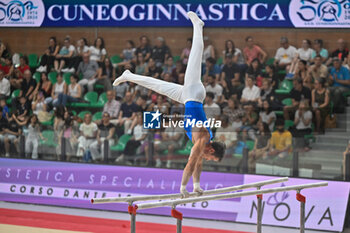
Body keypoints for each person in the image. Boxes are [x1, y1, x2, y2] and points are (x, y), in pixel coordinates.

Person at [113, 12, 225, 197]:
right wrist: (183, 188)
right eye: (210, 156)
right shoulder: (203, 139)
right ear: (211, 149)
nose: (206, 158)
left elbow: (197, 163)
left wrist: (196, 186)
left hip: (188, 97)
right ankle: (198, 25)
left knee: (157, 86)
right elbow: (190, 164)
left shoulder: (203, 143)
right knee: (195, 56)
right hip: (194, 93)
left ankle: (129, 76)